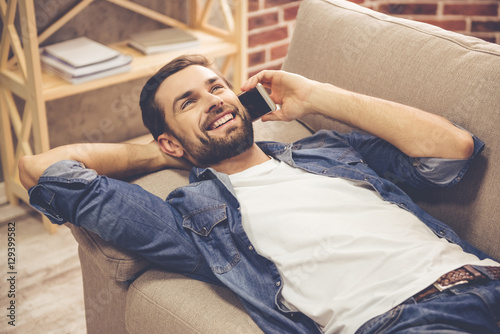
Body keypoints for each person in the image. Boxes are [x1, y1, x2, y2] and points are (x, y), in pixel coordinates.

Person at [19, 54, 500, 334]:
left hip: (486, 278)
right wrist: (166, 155)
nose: (214, 101)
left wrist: (315, 95)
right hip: (406, 322)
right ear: (168, 138)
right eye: (189, 103)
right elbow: (43, 170)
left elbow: (451, 153)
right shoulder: (193, 217)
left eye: (217, 88)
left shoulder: (328, 149)